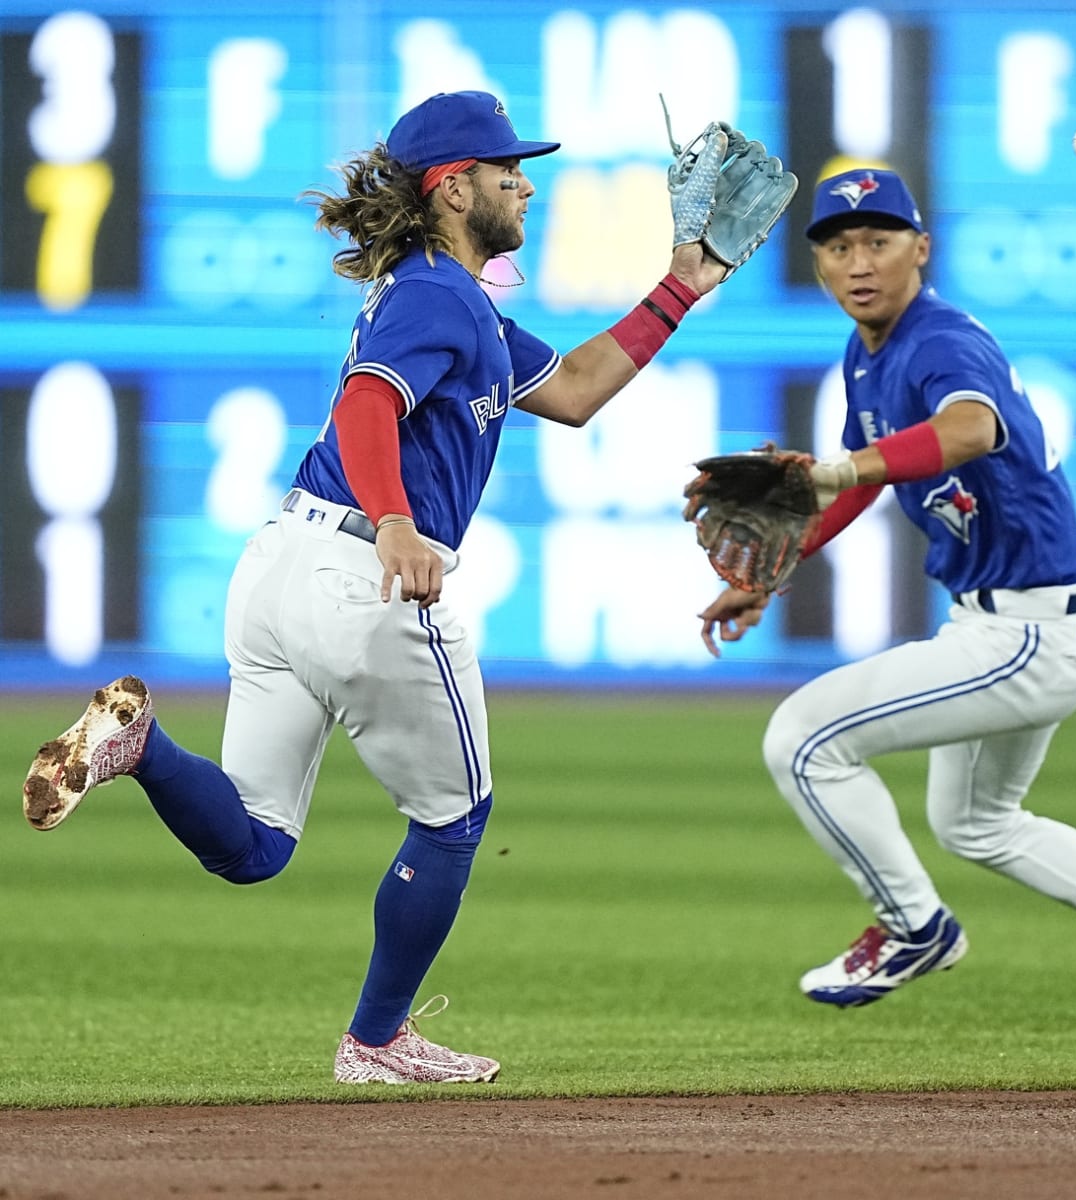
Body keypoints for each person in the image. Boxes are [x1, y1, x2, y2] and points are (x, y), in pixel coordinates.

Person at [22, 90, 731, 1083]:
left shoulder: (452, 301)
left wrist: (685, 283)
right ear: (453, 189)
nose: (524, 183)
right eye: (505, 170)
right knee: (456, 816)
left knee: (255, 845)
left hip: (279, 565)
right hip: (365, 570)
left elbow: (571, 390)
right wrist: (397, 521)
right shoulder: (438, 297)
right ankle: (379, 1037)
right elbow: (366, 405)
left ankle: (139, 747)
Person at [697, 167, 1076, 1042]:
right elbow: (858, 472)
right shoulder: (866, 354)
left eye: (880, 242)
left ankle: (913, 927)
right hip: (1010, 618)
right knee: (978, 823)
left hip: (1027, 630)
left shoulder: (940, 343)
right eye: (839, 246)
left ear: (920, 250)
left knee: (804, 739)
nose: (860, 262)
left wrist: (844, 469)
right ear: (818, 265)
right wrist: (778, 567)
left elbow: (969, 429)